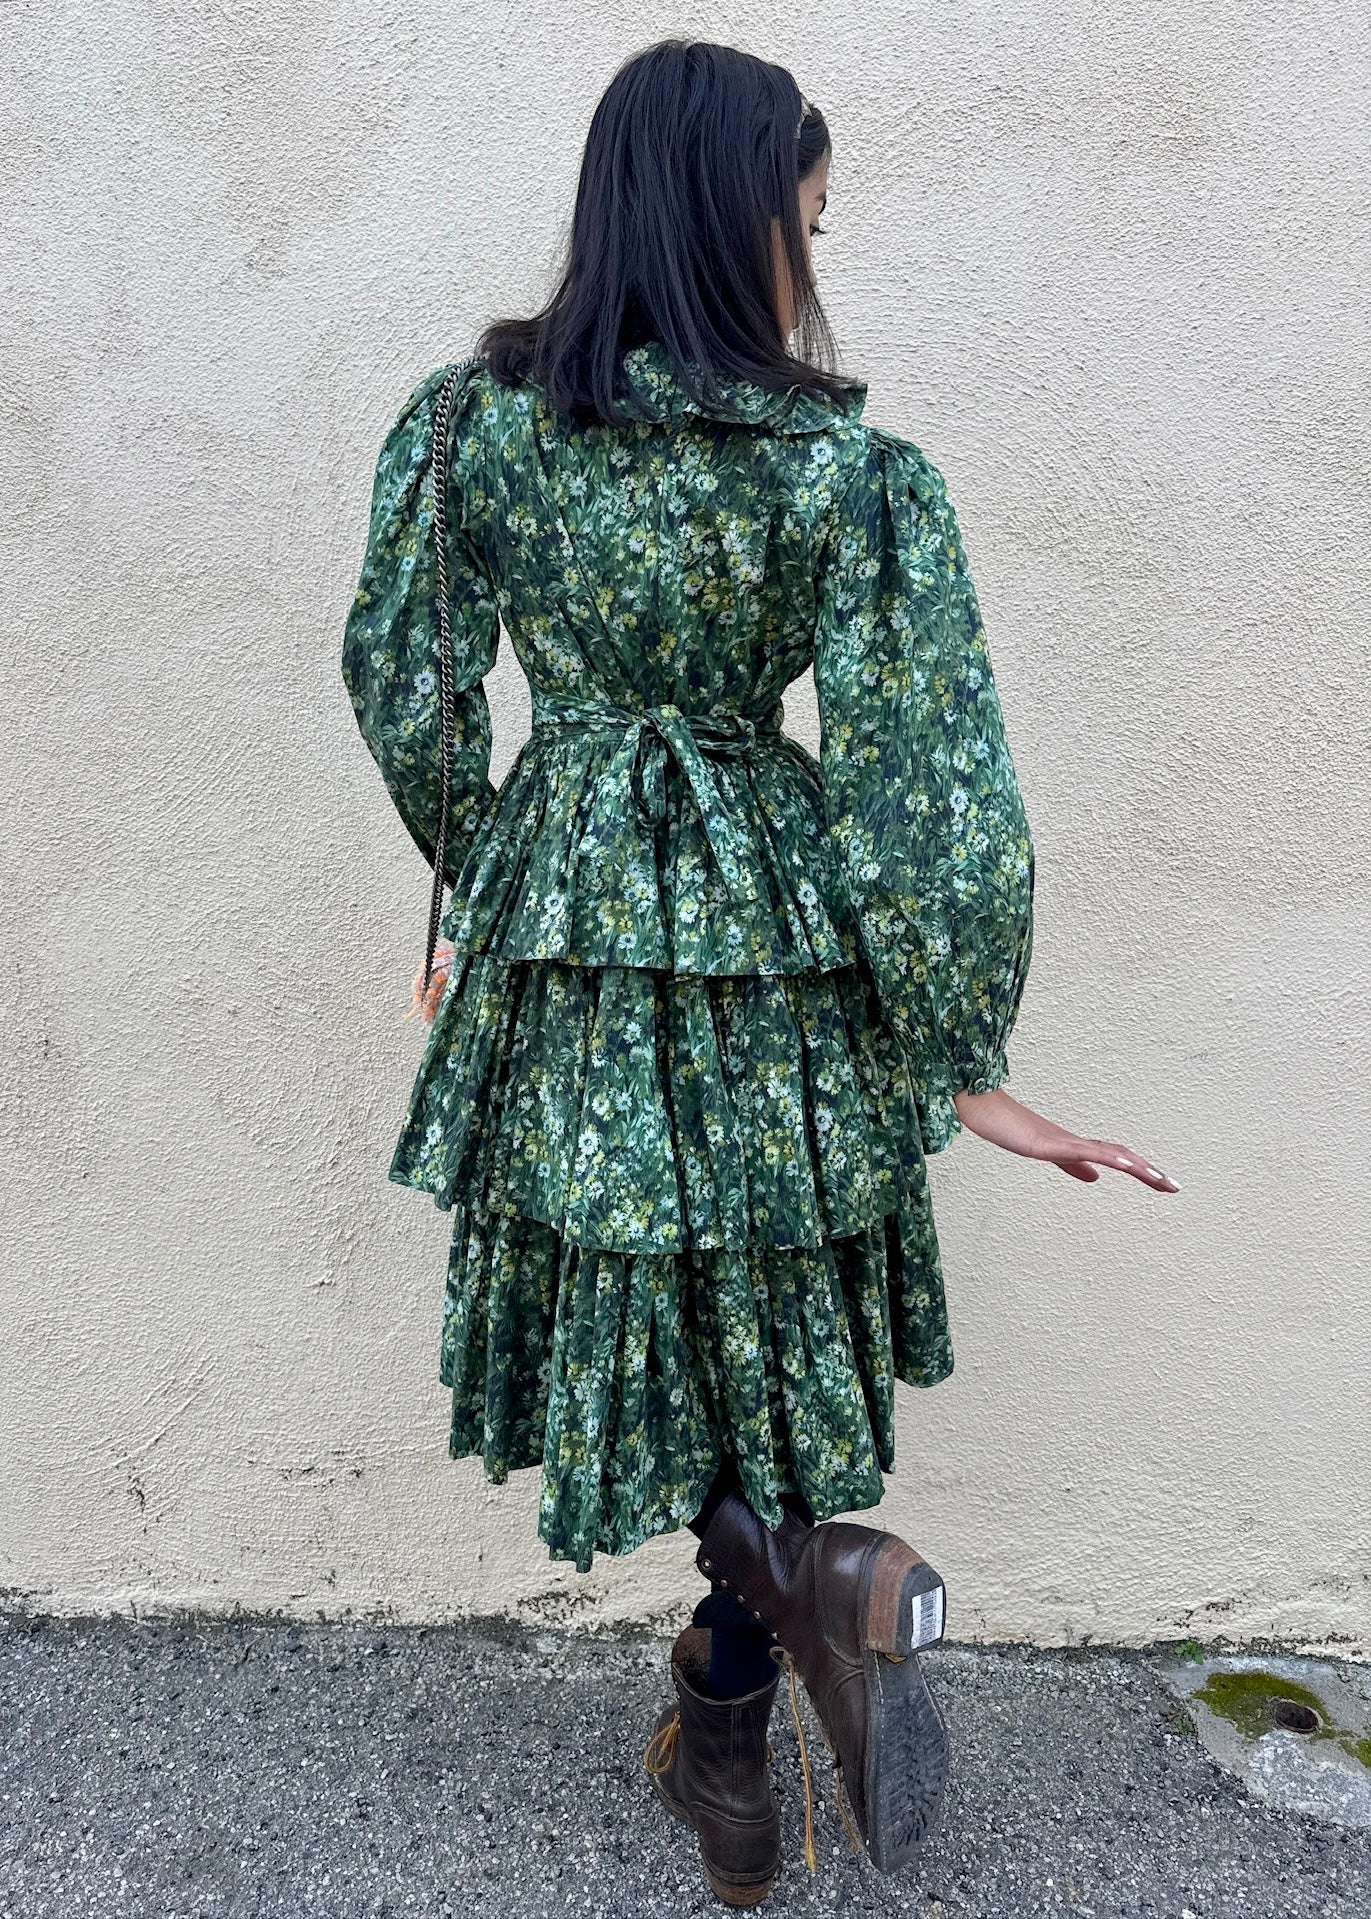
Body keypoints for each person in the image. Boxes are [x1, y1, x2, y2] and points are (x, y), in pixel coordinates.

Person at [340, 37, 1179, 1907]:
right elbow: (931, 782)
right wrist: (966, 1048)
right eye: (810, 214)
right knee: (751, 1339)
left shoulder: (469, 430)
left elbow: (400, 678)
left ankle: (753, 1671)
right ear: (743, 218)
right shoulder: (849, 476)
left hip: (569, 916)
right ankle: (781, 1632)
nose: (819, 254)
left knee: (638, 1341)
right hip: (767, 924)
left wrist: (484, 863)